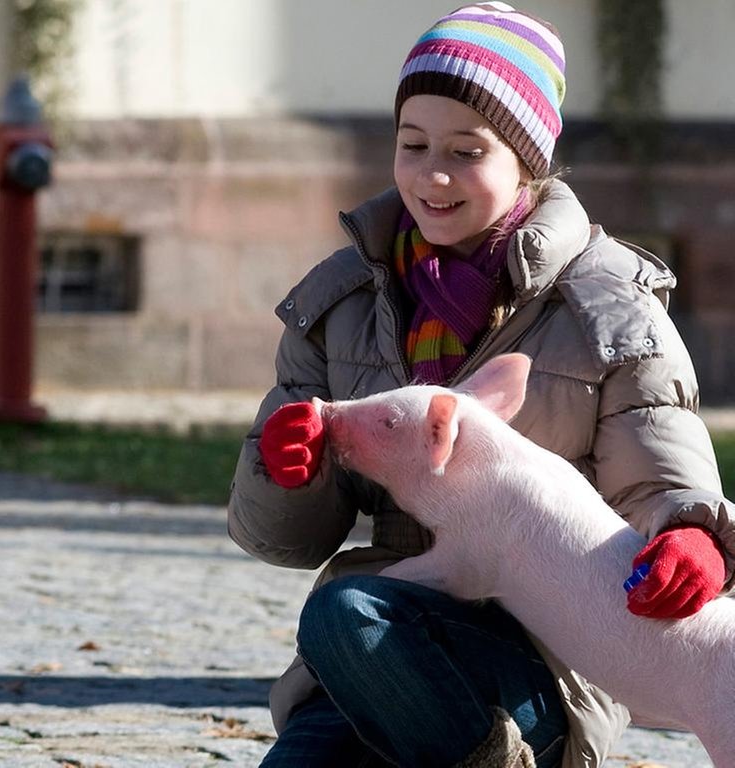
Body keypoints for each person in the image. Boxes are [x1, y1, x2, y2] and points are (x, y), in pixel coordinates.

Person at [228, 3, 735, 767]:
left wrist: (693, 534)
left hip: (543, 660)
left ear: (527, 162)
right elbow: (284, 538)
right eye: (413, 144)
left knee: (344, 605)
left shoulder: (605, 306)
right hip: (377, 647)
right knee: (338, 620)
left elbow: (662, 471)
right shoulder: (341, 302)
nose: (432, 174)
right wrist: (286, 467)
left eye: (467, 151)